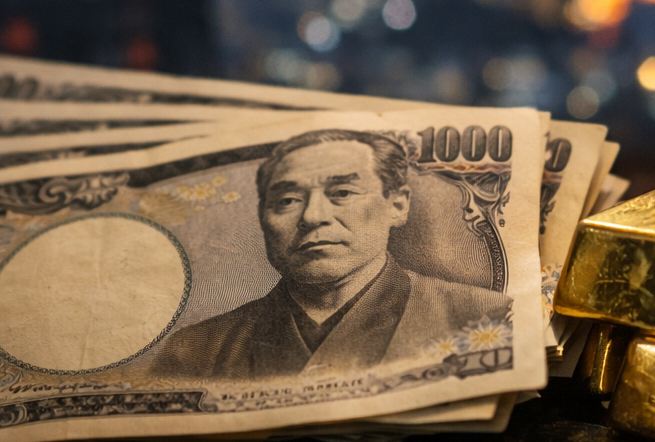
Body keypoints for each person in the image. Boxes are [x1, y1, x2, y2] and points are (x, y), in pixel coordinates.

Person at [151, 129, 511, 379]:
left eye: (342, 193)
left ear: (397, 205)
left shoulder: (485, 318)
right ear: (264, 219)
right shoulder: (195, 351)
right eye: (288, 201)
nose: (312, 216)